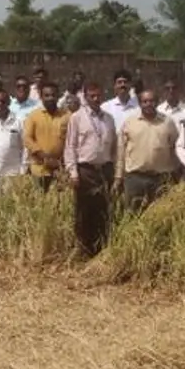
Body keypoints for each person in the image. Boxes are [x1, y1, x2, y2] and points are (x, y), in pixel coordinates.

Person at [65, 82, 117, 258]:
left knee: (103, 211)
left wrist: (115, 171)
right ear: (85, 97)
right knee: (84, 212)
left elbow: (114, 147)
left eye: (98, 95)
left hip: (104, 170)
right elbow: (70, 146)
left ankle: (101, 249)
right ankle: (84, 251)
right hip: (85, 170)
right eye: (92, 96)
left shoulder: (109, 119)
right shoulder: (77, 118)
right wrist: (73, 172)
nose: (96, 99)